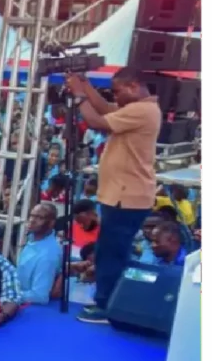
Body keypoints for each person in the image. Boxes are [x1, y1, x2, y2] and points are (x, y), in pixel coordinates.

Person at [66, 69, 160, 325]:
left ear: (134, 85)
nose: (115, 96)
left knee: (110, 254)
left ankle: (107, 306)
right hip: (124, 196)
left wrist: (78, 95)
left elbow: (98, 121)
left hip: (126, 197)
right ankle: (117, 302)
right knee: (115, 251)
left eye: (118, 91)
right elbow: (107, 108)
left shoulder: (142, 110)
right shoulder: (140, 108)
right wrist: (86, 86)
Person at [19, 202, 62, 304]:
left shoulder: (48, 255)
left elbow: (40, 296)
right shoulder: (32, 239)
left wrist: (8, 294)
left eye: (39, 218)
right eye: (32, 215)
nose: (32, 220)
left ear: (51, 223)